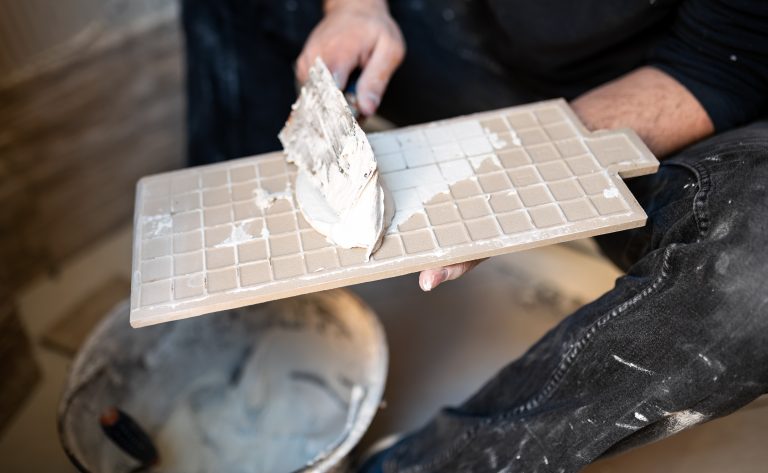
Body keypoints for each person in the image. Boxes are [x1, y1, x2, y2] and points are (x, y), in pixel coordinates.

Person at [181, 0, 768, 471]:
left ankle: (437, 463)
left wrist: (517, 170)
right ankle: (240, 321)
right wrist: (354, 9)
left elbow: (720, 63)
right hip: (471, 40)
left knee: (755, 275)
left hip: (666, 93)